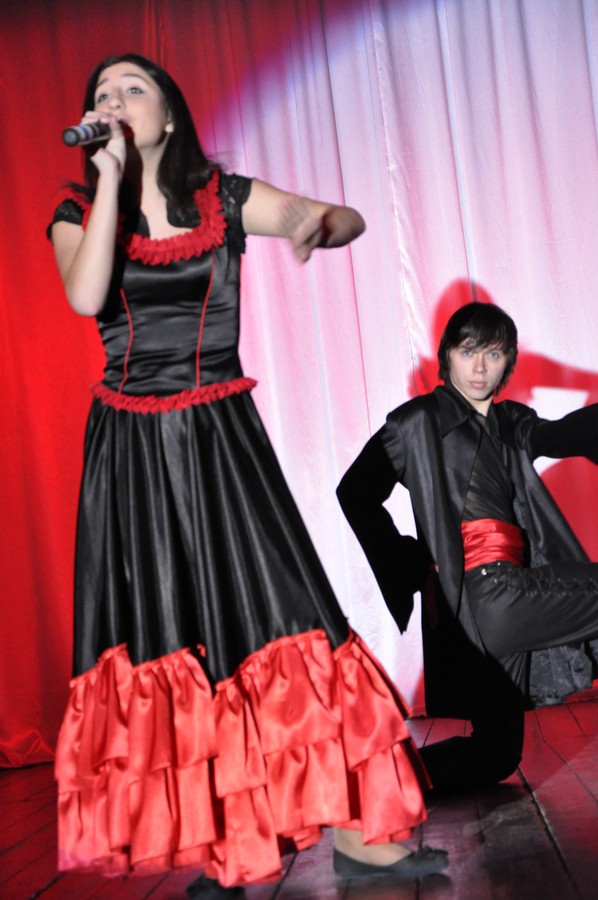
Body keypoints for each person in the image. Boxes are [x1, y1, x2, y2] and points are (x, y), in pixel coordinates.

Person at [48, 54, 448, 897]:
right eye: (102, 95)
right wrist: (110, 178)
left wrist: (319, 224)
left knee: (288, 617)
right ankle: (224, 845)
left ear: (169, 113)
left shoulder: (222, 200)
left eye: (131, 89)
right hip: (134, 457)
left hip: (222, 442)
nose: (113, 101)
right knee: (177, 637)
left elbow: (341, 219)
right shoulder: (78, 212)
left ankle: (360, 831)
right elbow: (86, 297)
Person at [337, 301, 598, 792]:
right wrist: (415, 561)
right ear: (447, 356)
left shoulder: (510, 422)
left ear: (508, 362)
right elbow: (355, 492)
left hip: (509, 598)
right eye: (468, 351)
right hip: (488, 595)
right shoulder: (416, 423)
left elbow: (560, 434)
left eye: (494, 354)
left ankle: (374, 783)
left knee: (496, 754)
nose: (480, 368)